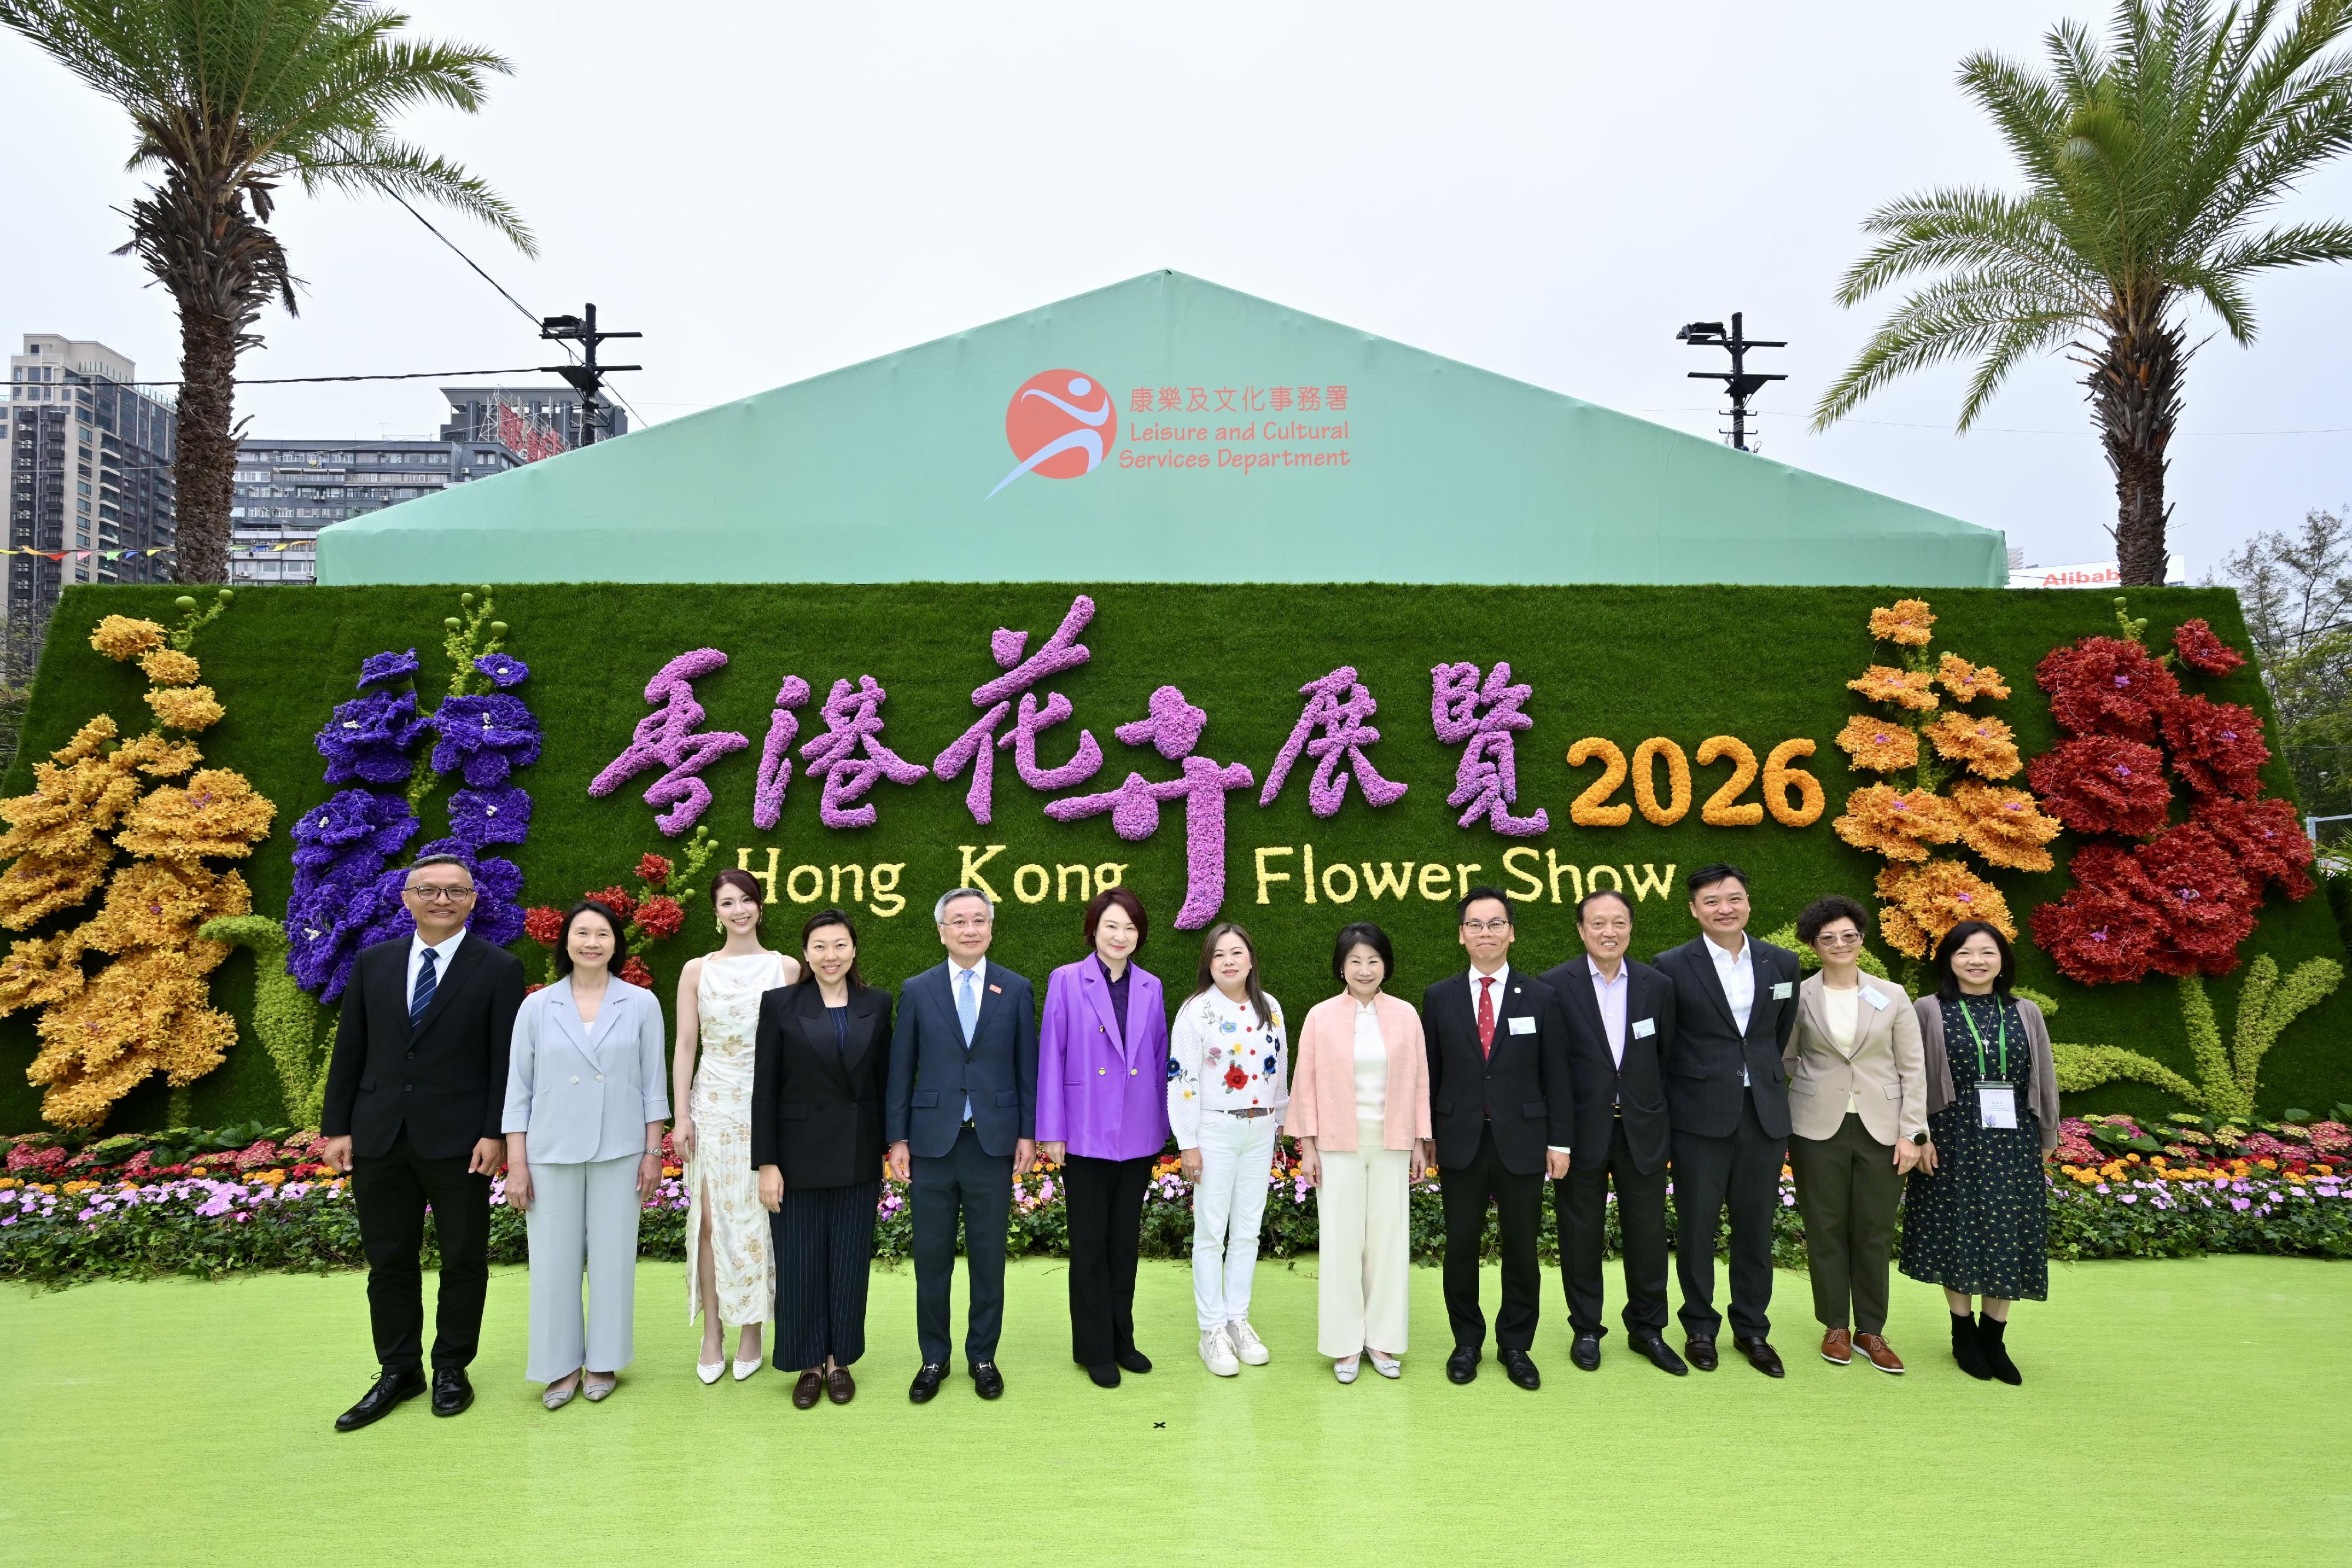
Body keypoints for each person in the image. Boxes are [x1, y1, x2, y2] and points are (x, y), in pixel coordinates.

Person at [319, 852, 526, 1432]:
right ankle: (398, 1369)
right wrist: (338, 1126)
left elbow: (505, 1061)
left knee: (463, 1258)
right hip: (380, 1134)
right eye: (429, 890)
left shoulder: (497, 968)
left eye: (455, 891)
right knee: (388, 1260)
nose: (442, 900)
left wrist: (496, 1133)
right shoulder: (374, 964)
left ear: (472, 900)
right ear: (407, 898)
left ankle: (453, 1366)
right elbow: (351, 1050)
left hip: (462, 1140)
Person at [502, 901, 670, 1407]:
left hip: (620, 1149)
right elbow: (518, 1089)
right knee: (552, 1262)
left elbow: (652, 1085)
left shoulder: (641, 1003)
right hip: (550, 1150)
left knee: (614, 1259)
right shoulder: (537, 1006)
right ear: (566, 941)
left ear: (616, 943)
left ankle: (603, 1360)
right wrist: (517, 1162)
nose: (591, 942)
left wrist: (652, 1152)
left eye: (602, 933)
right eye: (582, 933)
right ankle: (559, 1366)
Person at [886, 888, 1038, 1405]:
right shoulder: (918, 988)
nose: (969, 929)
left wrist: (1027, 1132)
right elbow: (901, 1068)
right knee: (931, 1256)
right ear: (941, 930)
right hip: (931, 1142)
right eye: (958, 921)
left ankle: (982, 1357)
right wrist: (898, 1137)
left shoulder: (1015, 989)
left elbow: (1027, 1069)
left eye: (978, 920)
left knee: (989, 1255)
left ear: (991, 928)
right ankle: (934, 1357)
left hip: (992, 1142)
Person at [1653, 862, 1802, 1378]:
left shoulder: (1782, 963)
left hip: (1762, 1110)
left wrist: (1753, 1072)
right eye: (1712, 901)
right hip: (1698, 1112)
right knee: (1696, 1224)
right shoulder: (1670, 965)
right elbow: (1665, 1044)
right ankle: (1699, 1326)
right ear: (1694, 909)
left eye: (1734, 898)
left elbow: (1775, 1035)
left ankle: (1752, 1329)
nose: (1725, 908)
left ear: (1748, 903)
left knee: (1755, 1225)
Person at [1422, 886, 1573, 1391]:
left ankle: (1516, 1344)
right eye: (1475, 924)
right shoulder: (1439, 996)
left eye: (1495, 923)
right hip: (1460, 1139)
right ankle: (1466, 1341)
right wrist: (1427, 1137)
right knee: (1461, 1246)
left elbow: (1558, 1077)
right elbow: (1430, 1074)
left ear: (1512, 931)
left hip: (1524, 1142)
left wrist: (1561, 1142)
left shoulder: (1543, 996)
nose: (1485, 933)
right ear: (1461, 935)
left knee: (1521, 1246)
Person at [1900, 920, 2060, 1386]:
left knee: (2007, 1229)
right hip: (1952, 1134)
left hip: (2013, 1136)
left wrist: (2047, 1133)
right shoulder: (1928, 1009)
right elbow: (1912, 1077)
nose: (1977, 961)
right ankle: (1962, 1331)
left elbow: (2044, 1074)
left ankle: (1995, 1336)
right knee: (1957, 1227)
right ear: (1949, 960)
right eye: (1965, 952)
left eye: (1987, 952)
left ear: (2002, 959)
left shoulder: (2026, 1011)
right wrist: (1919, 1135)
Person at [1537, 889, 1685, 1376]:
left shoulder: (1657, 985)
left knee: (1647, 1234)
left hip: (1641, 1129)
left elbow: (1664, 1060)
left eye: (1618, 922)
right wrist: (1555, 1137)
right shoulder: (1554, 986)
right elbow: (1551, 1069)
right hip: (1580, 1132)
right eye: (1597, 923)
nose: (1608, 932)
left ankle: (1648, 1329)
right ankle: (1586, 1328)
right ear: (1581, 930)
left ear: (1631, 927)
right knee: (1580, 1235)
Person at [753, 908, 894, 1409]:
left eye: (839, 945)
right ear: (805, 953)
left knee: (850, 1262)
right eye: (819, 946)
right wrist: (767, 1163)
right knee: (800, 1263)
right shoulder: (780, 1004)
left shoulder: (877, 1003)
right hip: (796, 1158)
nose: (830, 955)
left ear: (853, 948)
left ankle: (841, 1360)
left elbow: (884, 1084)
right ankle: (808, 1363)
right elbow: (764, 1088)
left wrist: (891, 1144)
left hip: (856, 1152)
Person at [1785, 895, 1927, 1375]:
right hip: (1814, 1125)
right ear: (1813, 944)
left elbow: (1913, 1068)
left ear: (1862, 939)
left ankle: (1871, 1329)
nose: (1839, 944)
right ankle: (1835, 1325)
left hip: (1882, 1128)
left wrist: (1913, 1133)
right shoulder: (1799, 994)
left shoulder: (1891, 995)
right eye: (1828, 938)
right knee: (1825, 1228)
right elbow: (1784, 1057)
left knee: (1873, 1229)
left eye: (1848, 935)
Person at [1037, 887, 1170, 1389]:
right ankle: (1093, 1349)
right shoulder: (1067, 980)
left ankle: (1121, 1339)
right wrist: (1051, 1130)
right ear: (1094, 928)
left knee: (1124, 1245)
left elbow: (1157, 1060)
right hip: (1085, 1129)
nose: (1121, 936)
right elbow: (1051, 1053)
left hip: (1136, 1131)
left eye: (1131, 928)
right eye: (1112, 925)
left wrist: (1161, 1125)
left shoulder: (1152, 986)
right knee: (1090, 1245)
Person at [670, 868, 799, 1384]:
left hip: (766, 1107)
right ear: (716, 911)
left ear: (761, 906)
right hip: (713, 1105)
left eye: (747, 900)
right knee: (708, 1221)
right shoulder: (696, 970)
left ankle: (752, 1328)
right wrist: (682, 1114)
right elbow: (684, 1045)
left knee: (757, 1219)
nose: (739, 909)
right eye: (728, 902)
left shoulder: (786, 967)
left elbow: (797, 1048)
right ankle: (713, 1332)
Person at [1291, 922, 1430, 1383]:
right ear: (1341, 967)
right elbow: (1304, 1084)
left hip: (1391, 1143)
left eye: (1373, 960)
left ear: (1385, 964)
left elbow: (1420, 1083)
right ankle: (1345, 1344)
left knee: (1388, 1245)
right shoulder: (1320, 1016)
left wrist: (1419, 1141)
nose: (1365, 969)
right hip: (1336, 1146)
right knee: (1341, 1245)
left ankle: (1382, 1339)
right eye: (1355, 961)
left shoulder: (1407, 1015)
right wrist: (1307, 1146)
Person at [1167, 921, 1289, 1378]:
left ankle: (1238, 1318)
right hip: (1214, 1131)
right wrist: (1189, 1143)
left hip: (1259, 1133)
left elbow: (1280, 1071)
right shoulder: (1196, 1011)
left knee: (1247, 1232)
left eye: (1237, 952)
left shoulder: (1270, 1007)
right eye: (1219, 955)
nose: (1229, 961)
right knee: (1211, 1233)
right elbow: (1182, 1080)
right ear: (1208, 962)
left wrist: (1279, 1124)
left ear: (1251, 959)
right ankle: (1211, 1329)